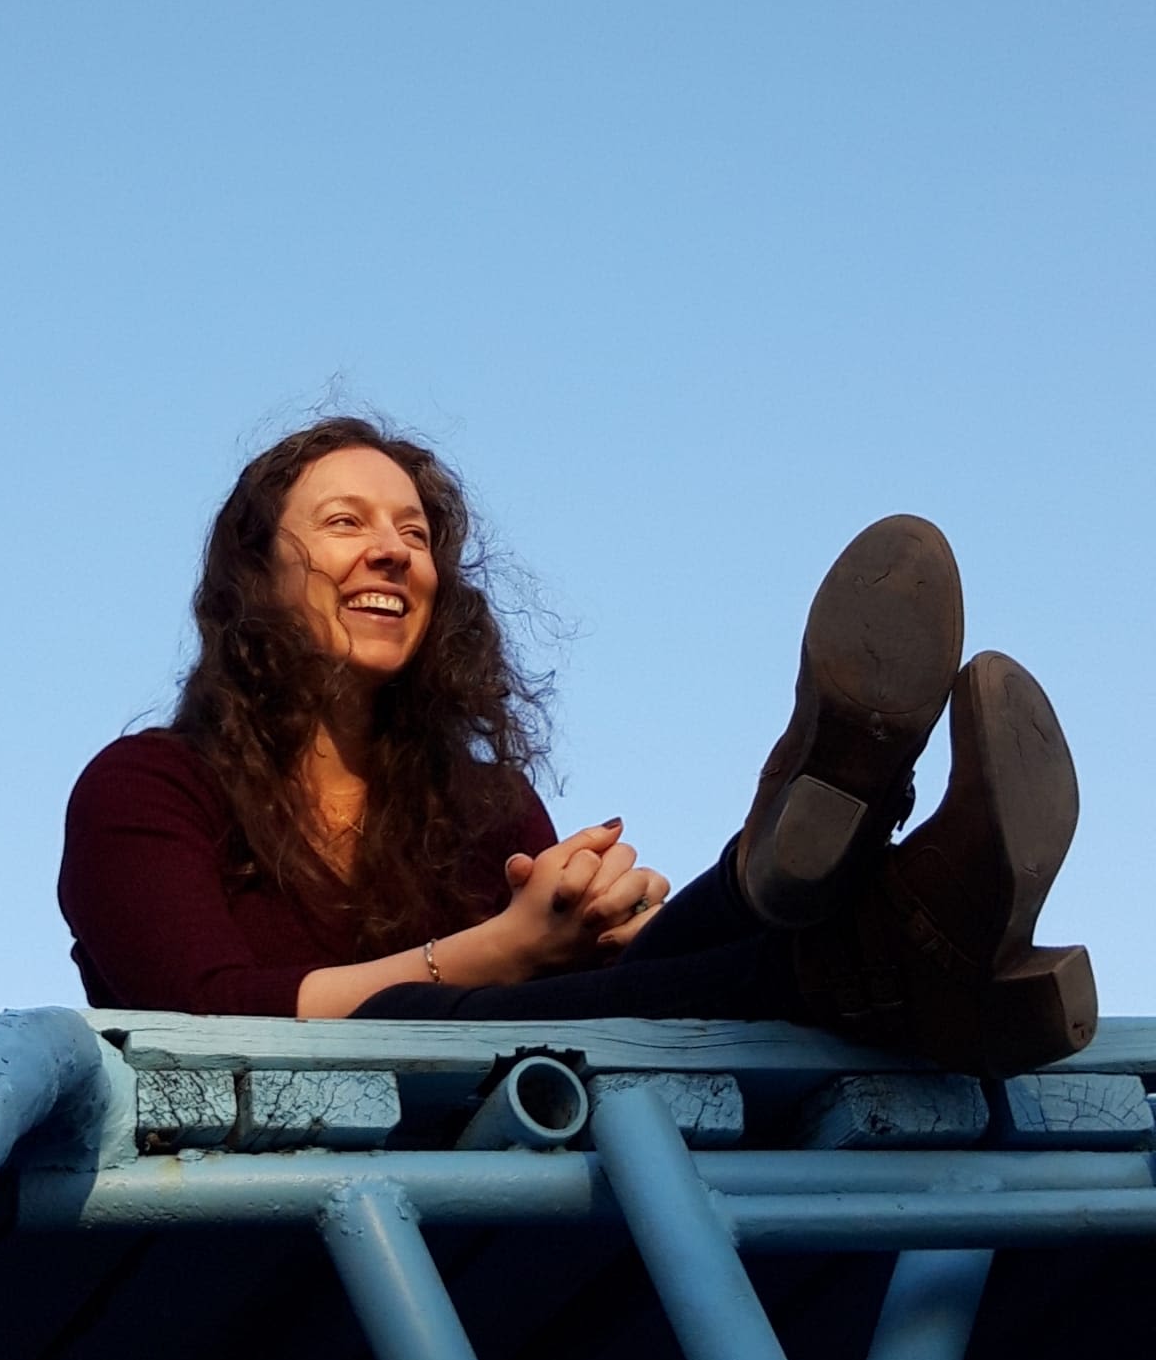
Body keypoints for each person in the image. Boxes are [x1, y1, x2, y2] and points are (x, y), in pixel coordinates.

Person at [58, 416, 1096, 1076]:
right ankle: (835, 896)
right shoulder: (146, 786)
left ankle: (814, 872)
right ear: (256, 573)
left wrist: (609, 929)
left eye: (416, 534)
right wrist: (502, 946)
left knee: (642, 982)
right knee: (429, 1010)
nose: (391, 548)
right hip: (264, 1165)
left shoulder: (486, 805)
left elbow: (590, 1014)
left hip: (510, 1152)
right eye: (344, 521)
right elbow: (205, 1013)